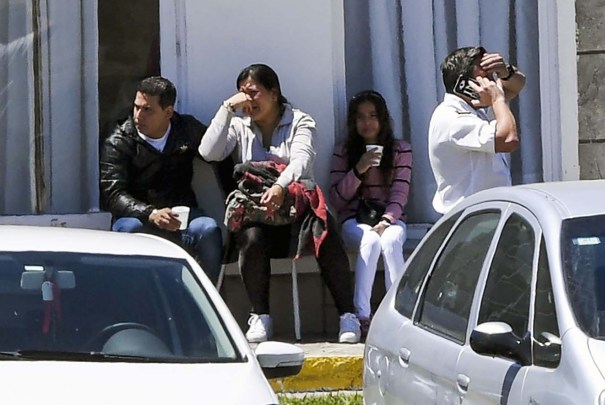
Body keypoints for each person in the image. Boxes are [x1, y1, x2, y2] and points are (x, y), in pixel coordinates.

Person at [199, 63, 361, 344]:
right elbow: (208, 152)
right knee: (251, 238)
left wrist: (279, 186)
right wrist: (226, 109)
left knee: (326, 231)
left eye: (254, 92)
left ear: (273, 94)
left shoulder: (301, 121)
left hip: (295, 208)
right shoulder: (239, 125)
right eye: (242, 94)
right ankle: (260, 315)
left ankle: (348, 314)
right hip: (258, 211)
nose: (248, 100)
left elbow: (301, 159)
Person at [100, 76, 223, 281]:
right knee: (128, 230)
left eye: (147, 109)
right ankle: (133, 300)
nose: (139, 115)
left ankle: (204, 302)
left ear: (168, 112)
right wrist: (151, 213)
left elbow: (217, 155)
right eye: (136, 107)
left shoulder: (186, 129)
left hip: (181, 215)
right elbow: (113, 193)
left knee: (208, 230)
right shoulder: (119, 140)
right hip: (139, 217)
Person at [329, 90, 412, 335]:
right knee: (370, 240)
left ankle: (398, 314)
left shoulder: (400, 150)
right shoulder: (343, 151)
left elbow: (400, 193)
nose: (367, 123)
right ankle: (362, 316)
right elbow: (336, 199)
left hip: (390, 218)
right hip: (354, 219)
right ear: (353, 123)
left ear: (383, 119)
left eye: (373, 116)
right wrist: (360, 168)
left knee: (391, 239)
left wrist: (387, 220)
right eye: (360, 117)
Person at [428, 46, 525, 214]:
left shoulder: (476, 105)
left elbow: (517, 85)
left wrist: (505, 71)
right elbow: (508, 140)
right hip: (468, 216)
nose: (492, 83)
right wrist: (497, 99)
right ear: (464, 85)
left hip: (486, 213)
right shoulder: (451, 118)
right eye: (485, 76)